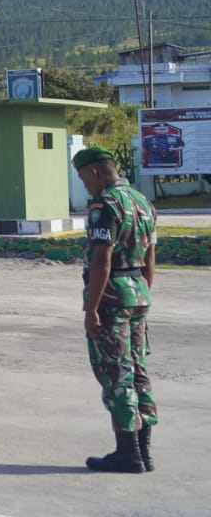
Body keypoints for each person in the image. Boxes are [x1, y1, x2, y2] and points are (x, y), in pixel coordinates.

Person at [73, 146, 158, 473]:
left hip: (111, 298)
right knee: (137, 370)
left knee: (116, 373)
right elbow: (150, 259)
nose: (85, 185)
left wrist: (91, 309)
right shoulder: (143, 203)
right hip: (138, 293)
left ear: (95, 172)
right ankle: (144, 451)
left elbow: (101, 260)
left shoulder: (105, 206)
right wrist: (143, 296)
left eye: (83, 178)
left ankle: (128, 453)